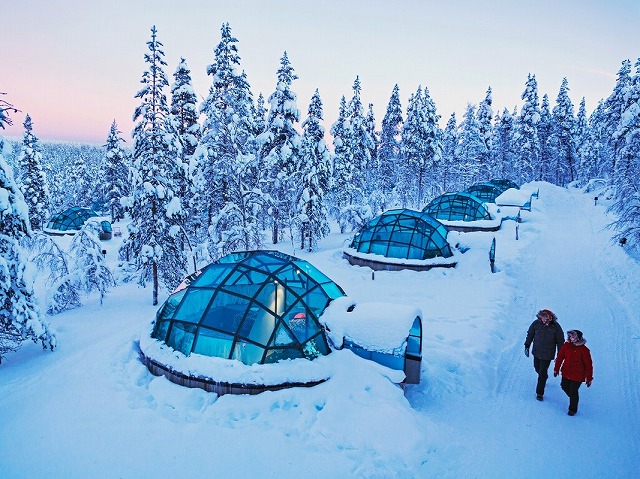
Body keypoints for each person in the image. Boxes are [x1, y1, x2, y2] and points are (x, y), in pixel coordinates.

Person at [524, 309, 564, 401]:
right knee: (537, 368)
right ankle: (544, 377)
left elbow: (560, 341)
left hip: (547, 354)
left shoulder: (556, 327)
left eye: (546, 319)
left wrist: (560, 354)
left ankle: (539, 393)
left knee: (542, 372)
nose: (544, 320)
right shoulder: (536, 324)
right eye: (542, 318)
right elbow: (530, 334)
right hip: (537, 352)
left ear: (550, 318)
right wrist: (527, 345)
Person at [554, 330, 593, 416]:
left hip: (578, 375)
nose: (571, 338)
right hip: (566, 372)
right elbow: (560, 357)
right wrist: (556, 369)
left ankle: (572, 409)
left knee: (573, 390)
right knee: (564, 386)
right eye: (570, 336)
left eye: (573, 337)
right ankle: (573, 398)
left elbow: (588, 365)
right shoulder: (566, 346)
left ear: (578, 338)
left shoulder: (584, 350)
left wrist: (589, 378)